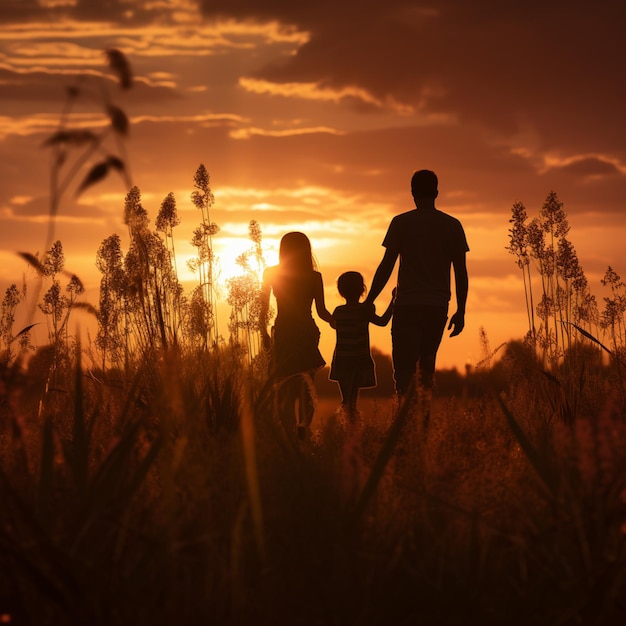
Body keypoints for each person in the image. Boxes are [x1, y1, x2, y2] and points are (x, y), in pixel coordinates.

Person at [365, 169, 469, 405]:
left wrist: (369, 300)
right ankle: (422, 428)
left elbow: (386, 265)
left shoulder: (401, 223)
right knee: (426, 371)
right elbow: (461, 272)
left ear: (412, 192)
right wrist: (461, 310)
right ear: (437, 192)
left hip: (407, 306)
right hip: (437, 306)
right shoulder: (452, 225)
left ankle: (406, 427)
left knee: (404, 373)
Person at [259, 231, 334, 439]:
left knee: (284, 388)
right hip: (306, 332)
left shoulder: (270, 273)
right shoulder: (314, 276)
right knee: (306, 387)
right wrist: (336, 321)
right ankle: (303, 430)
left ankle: (291, 436)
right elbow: (321, 311)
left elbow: (262, 308)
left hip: (284, 331)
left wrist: (262, 331)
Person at [329, 271, 395, 422]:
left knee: (347, 400)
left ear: (341, 291)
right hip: (358, 359)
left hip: (341, 359)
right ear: (362, 289)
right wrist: (393, 300)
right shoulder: (364, 310)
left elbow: (333, 324)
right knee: (352, 401)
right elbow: (383, 321)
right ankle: (352, 430)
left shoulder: (338, 312)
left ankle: (347, 429)